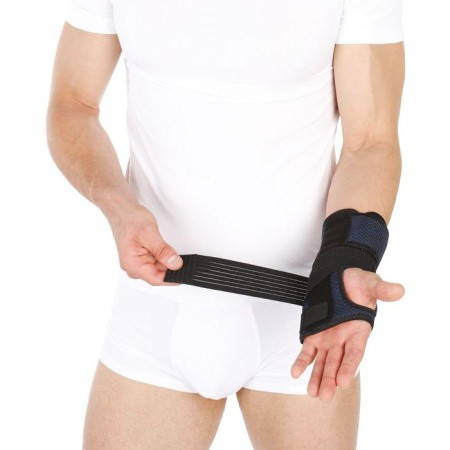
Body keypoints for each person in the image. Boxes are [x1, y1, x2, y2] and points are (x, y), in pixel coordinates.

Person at [46, 0, 406, 448]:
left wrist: (350, 254)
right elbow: (72, 104)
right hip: (157, 305)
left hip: (303, 319)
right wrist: (119, 206)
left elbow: (370, 139)